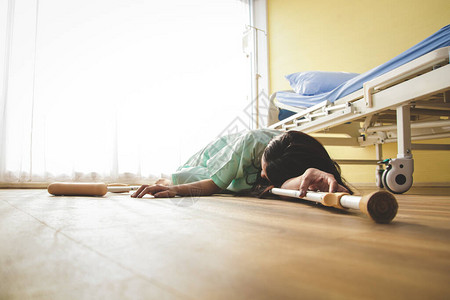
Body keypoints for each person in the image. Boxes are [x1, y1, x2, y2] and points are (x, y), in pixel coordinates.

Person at [131, 129, 351, 198]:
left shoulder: (304, 154)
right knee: (182, 178)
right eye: (264, 171)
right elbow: (215, 184)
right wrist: (173, 189)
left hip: (248, 171)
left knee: (248, 186)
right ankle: (169, 179)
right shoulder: (251, 144)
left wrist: (309, 176)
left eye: (267, 176)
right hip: (221, 157)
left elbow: (281, 186)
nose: (264, 177)